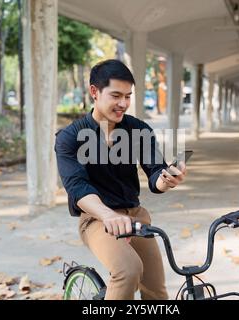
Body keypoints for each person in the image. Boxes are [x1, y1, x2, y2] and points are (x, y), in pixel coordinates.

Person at [54, 59, 187, 300]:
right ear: (95, 91)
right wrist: (108, 215)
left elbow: (155, 172)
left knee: (156, 289)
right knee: (128, 270)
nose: (123, 103)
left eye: (128, 96)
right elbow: (77, 187)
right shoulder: (69, 137)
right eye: (116, 95)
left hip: (135, 216)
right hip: (96, 219)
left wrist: (165, 180)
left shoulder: (139, 130)